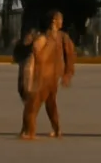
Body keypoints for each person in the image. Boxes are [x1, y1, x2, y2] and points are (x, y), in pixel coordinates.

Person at [13, 10, 76, 139]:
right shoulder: (43, 36)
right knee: (49, 103)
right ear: (54, 21)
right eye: (60, 19)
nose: (61, 22)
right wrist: (26, 42)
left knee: (34, 104)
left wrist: (68, 74)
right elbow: (25, 52)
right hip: (44, 75)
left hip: (51, 76)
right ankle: (54, 129)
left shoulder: (62, 37)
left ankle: (29, 131)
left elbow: (70, 55)